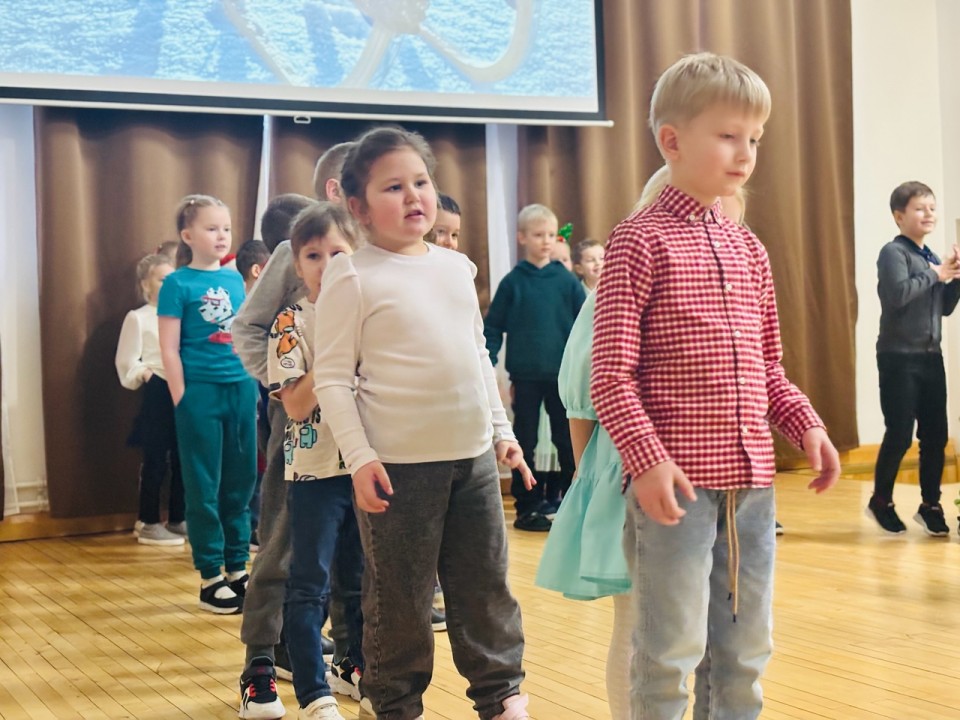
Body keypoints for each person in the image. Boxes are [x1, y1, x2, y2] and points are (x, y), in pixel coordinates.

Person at [591, 53, 840, 719]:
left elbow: (769, 369)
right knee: (669, 652)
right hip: (676, 488)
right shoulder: (638, 242)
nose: (746, 152)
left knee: (745, 651)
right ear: (672, 140)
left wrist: (808, 425)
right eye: (729, 135)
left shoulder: (749, 250)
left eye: (754, 138)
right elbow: (610, 376)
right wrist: (648, 462)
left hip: (752, 487)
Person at [313, 125, 533, 720]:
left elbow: (476, 356)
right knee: (400, 599)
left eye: (421, 182)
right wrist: (359, 458)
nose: (414, 196)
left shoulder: (456, 268)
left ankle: (501, 695)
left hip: (472, 459)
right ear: (358, 207)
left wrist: (502, 432)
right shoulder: (352, 275)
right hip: (398, 471)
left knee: (485, 586)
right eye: (393, 187)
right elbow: (332, 379)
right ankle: (393, 703)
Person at [233, 149, 348, 717]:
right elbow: (249, 328)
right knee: (282, 540)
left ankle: (345, 655)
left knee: (350, 552)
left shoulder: (377, 252)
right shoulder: (294, 252)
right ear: (337, 189)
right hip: (301, 427)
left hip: (364, 432)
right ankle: (259, 659)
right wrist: (284, 388)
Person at [260, 203, 366, 720]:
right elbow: (298, 405)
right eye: (313, 256)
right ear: (297, 265)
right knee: (310, 584)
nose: (326, 265)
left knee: (362, 582)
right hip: (315, 472)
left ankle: (357, 667)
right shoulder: (290, 322)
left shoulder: (374, 312)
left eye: (338, 253)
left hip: (369, 467)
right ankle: (313, 692)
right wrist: (335, 348)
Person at [157, 194, 259, 615]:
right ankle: (211, 575)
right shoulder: (177, 284)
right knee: (203, 486)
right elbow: (169, 348)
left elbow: (248, 334)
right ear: (188, 235)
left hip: (241, 390)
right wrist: (182, 397)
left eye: (226, 228)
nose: (221, 236)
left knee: (241, 481)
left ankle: (237, 567)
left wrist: (252, 382)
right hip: (199, 393)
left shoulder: (237, 280)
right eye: (211, 228)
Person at [484, 204, 585, 531]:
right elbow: (492, 328)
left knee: (567, 442)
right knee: (523, 442)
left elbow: (587, 325)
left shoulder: (566, 281)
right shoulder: (512, 283)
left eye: (551, 235)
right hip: (525, 378)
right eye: (538, 235)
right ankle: (527, 508)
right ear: (522, 238)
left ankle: (572, 506)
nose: (546, 241)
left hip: (562, 379)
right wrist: (488, 365)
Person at [869, 181, 960, 536]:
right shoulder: (893, 253)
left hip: (930, 357)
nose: (929, 214)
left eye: (932, 208)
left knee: (936, 436)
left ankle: (930, 504)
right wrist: (936, 274)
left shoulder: (932, 257)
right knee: (900, 434)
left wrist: (954, 278)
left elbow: (945, 307)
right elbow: (897, 295)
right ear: (899, 216)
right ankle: (881, 501)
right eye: (920, 208)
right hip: (898, 357)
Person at [115, 253, 185, 546]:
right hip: (158, 389)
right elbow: (126, 360)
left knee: (183, 457)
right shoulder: (139, 318)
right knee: (156, 457)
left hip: (185, 389)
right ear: (146, 284)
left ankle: (179, 517)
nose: (169, 285)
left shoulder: (183, 314)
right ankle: (148, 520)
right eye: (161, 279)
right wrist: (147, 375)